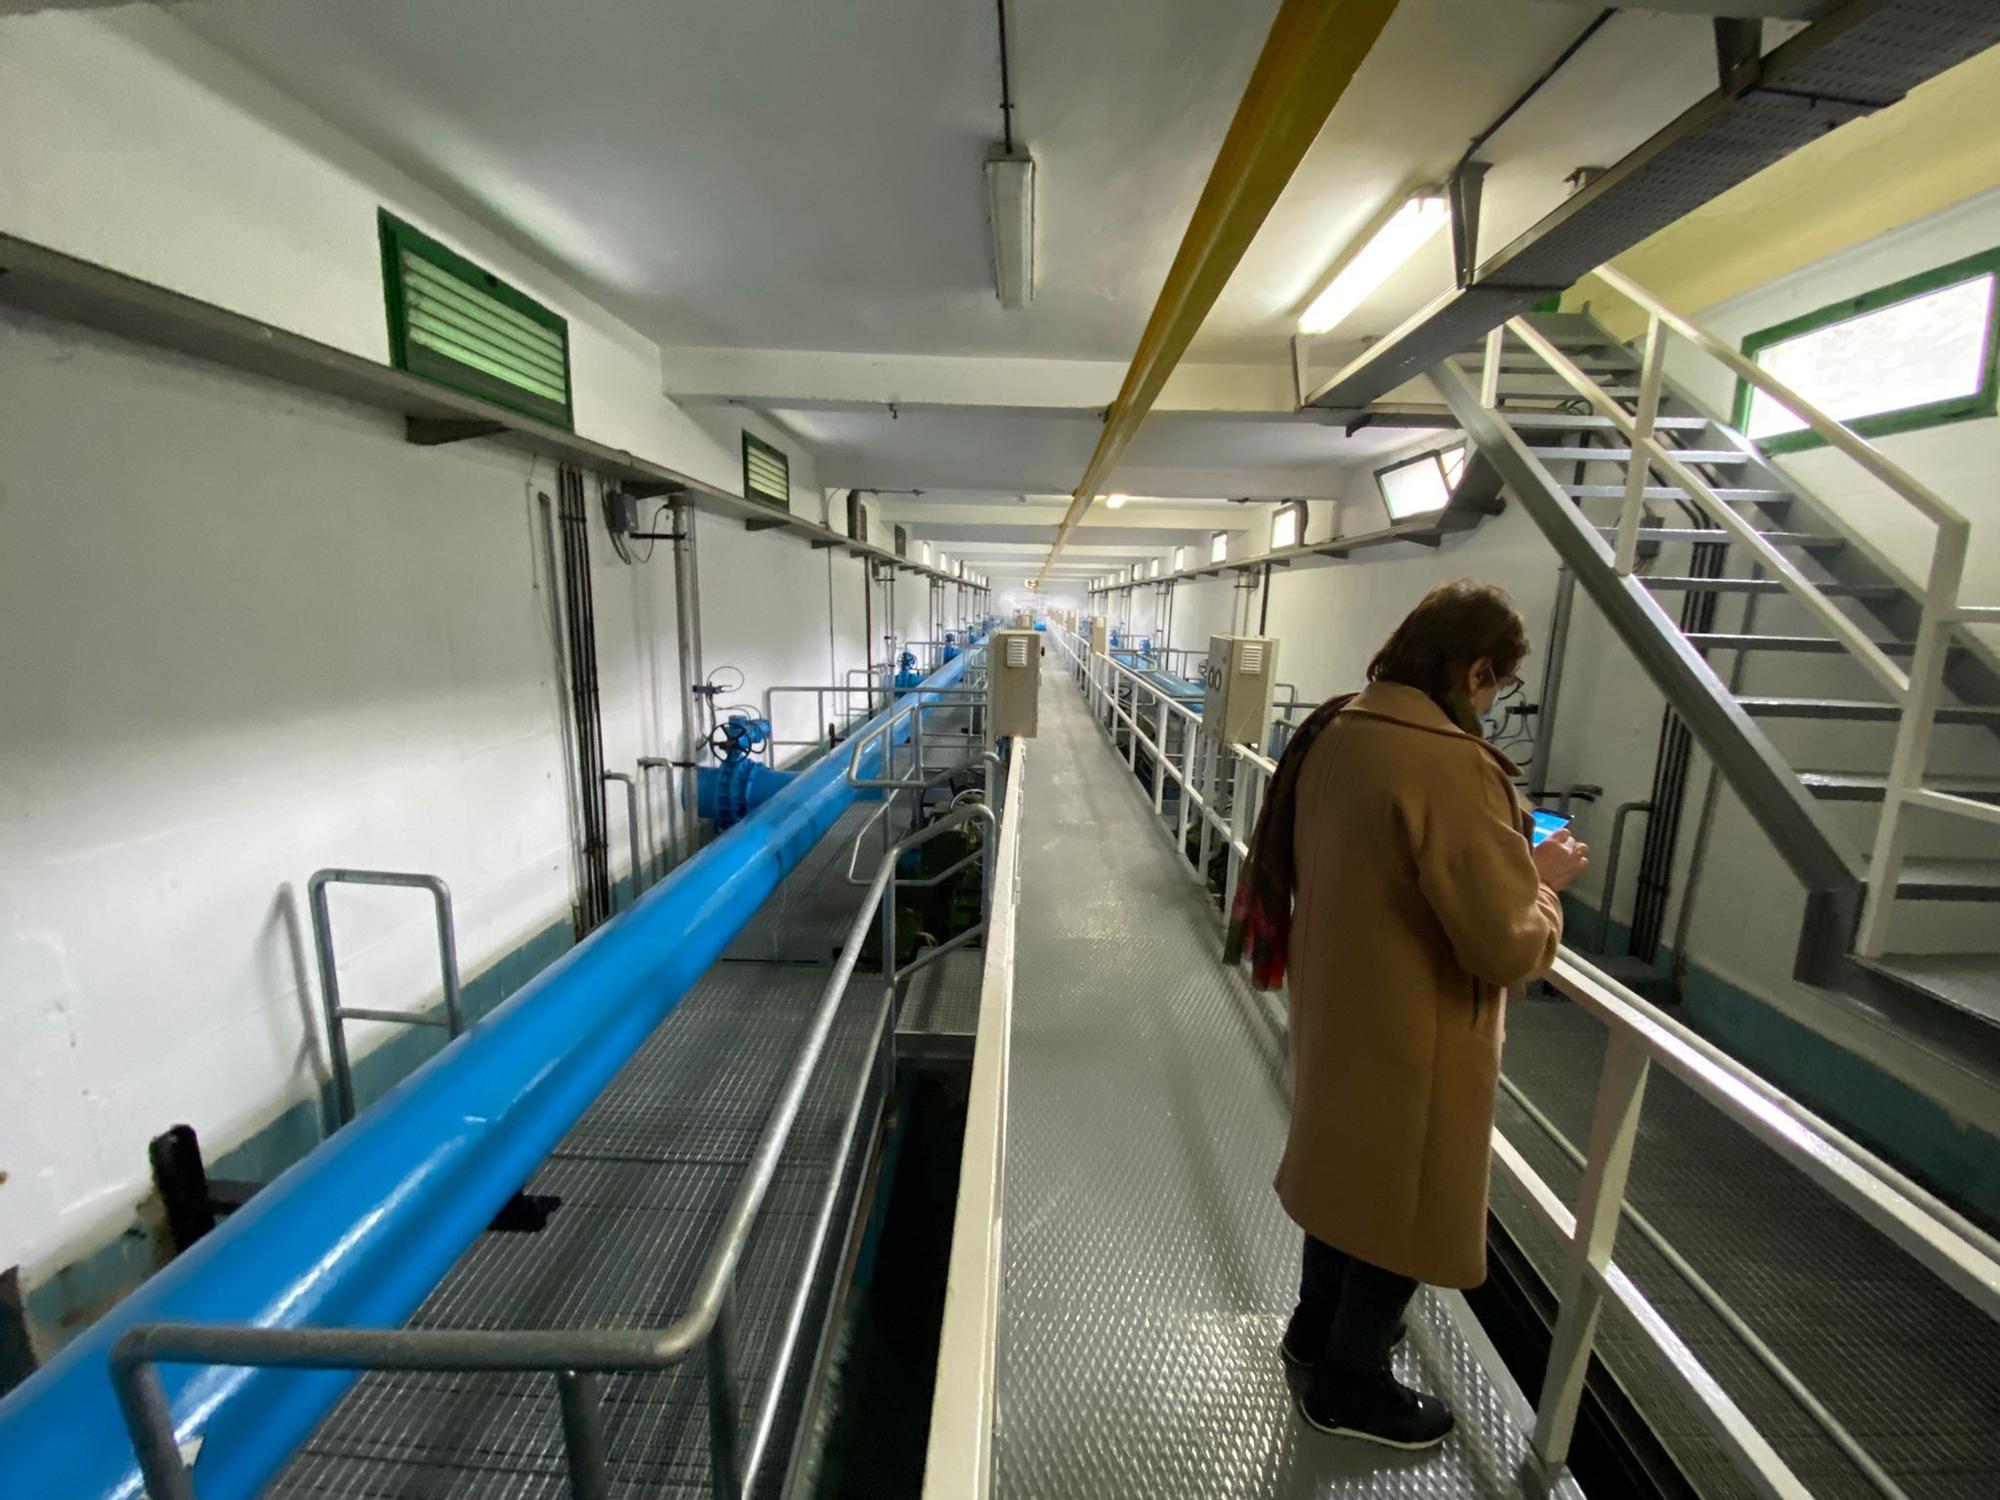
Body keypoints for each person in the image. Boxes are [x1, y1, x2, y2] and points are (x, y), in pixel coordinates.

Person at [1226, 580, 1589, 1450]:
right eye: (1496, 684)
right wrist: (1543, 884)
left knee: (1341, 1177)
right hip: (1413, 1030)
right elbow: (1501, 942)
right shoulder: (1450, 765)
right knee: (1402, 1201)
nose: (1492, 703)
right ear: (1474, 671)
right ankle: (1350, 1384)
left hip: (1339, 1004)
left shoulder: (1340, 730)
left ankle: (1312, 1335)